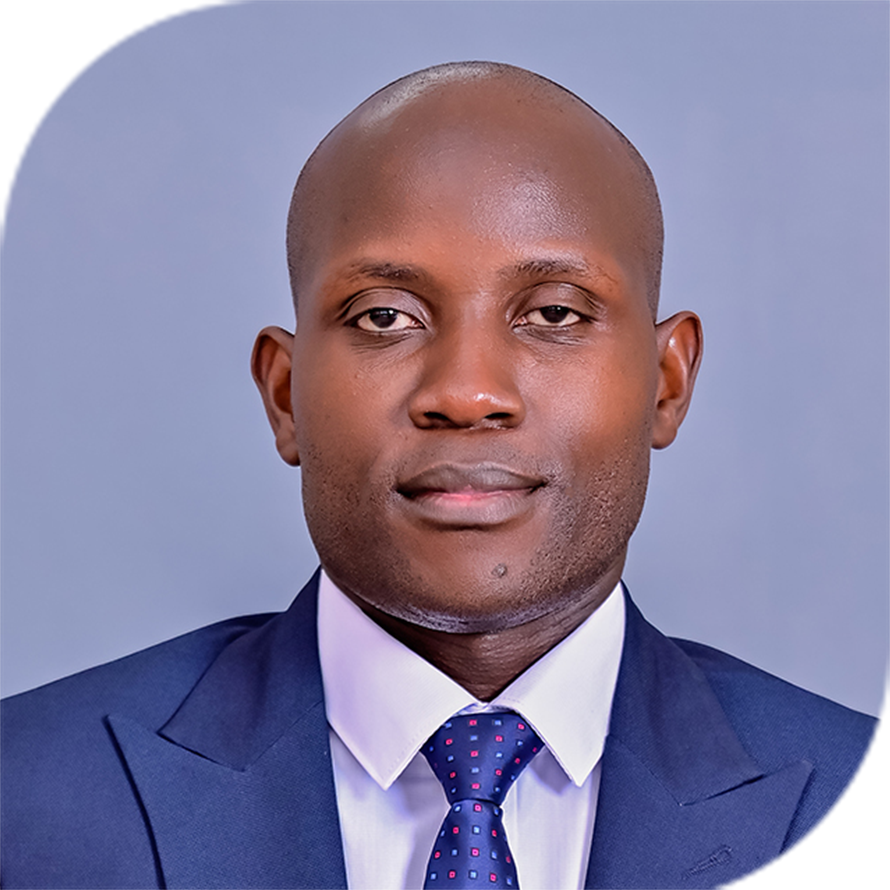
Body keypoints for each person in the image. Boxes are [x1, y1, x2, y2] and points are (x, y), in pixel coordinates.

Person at [0, 61, 878, 890]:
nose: (466, 393)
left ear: (667, 384)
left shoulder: (870, 812)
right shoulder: (25, 795)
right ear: (285, 395)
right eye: (385, 317)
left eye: (555, 313)